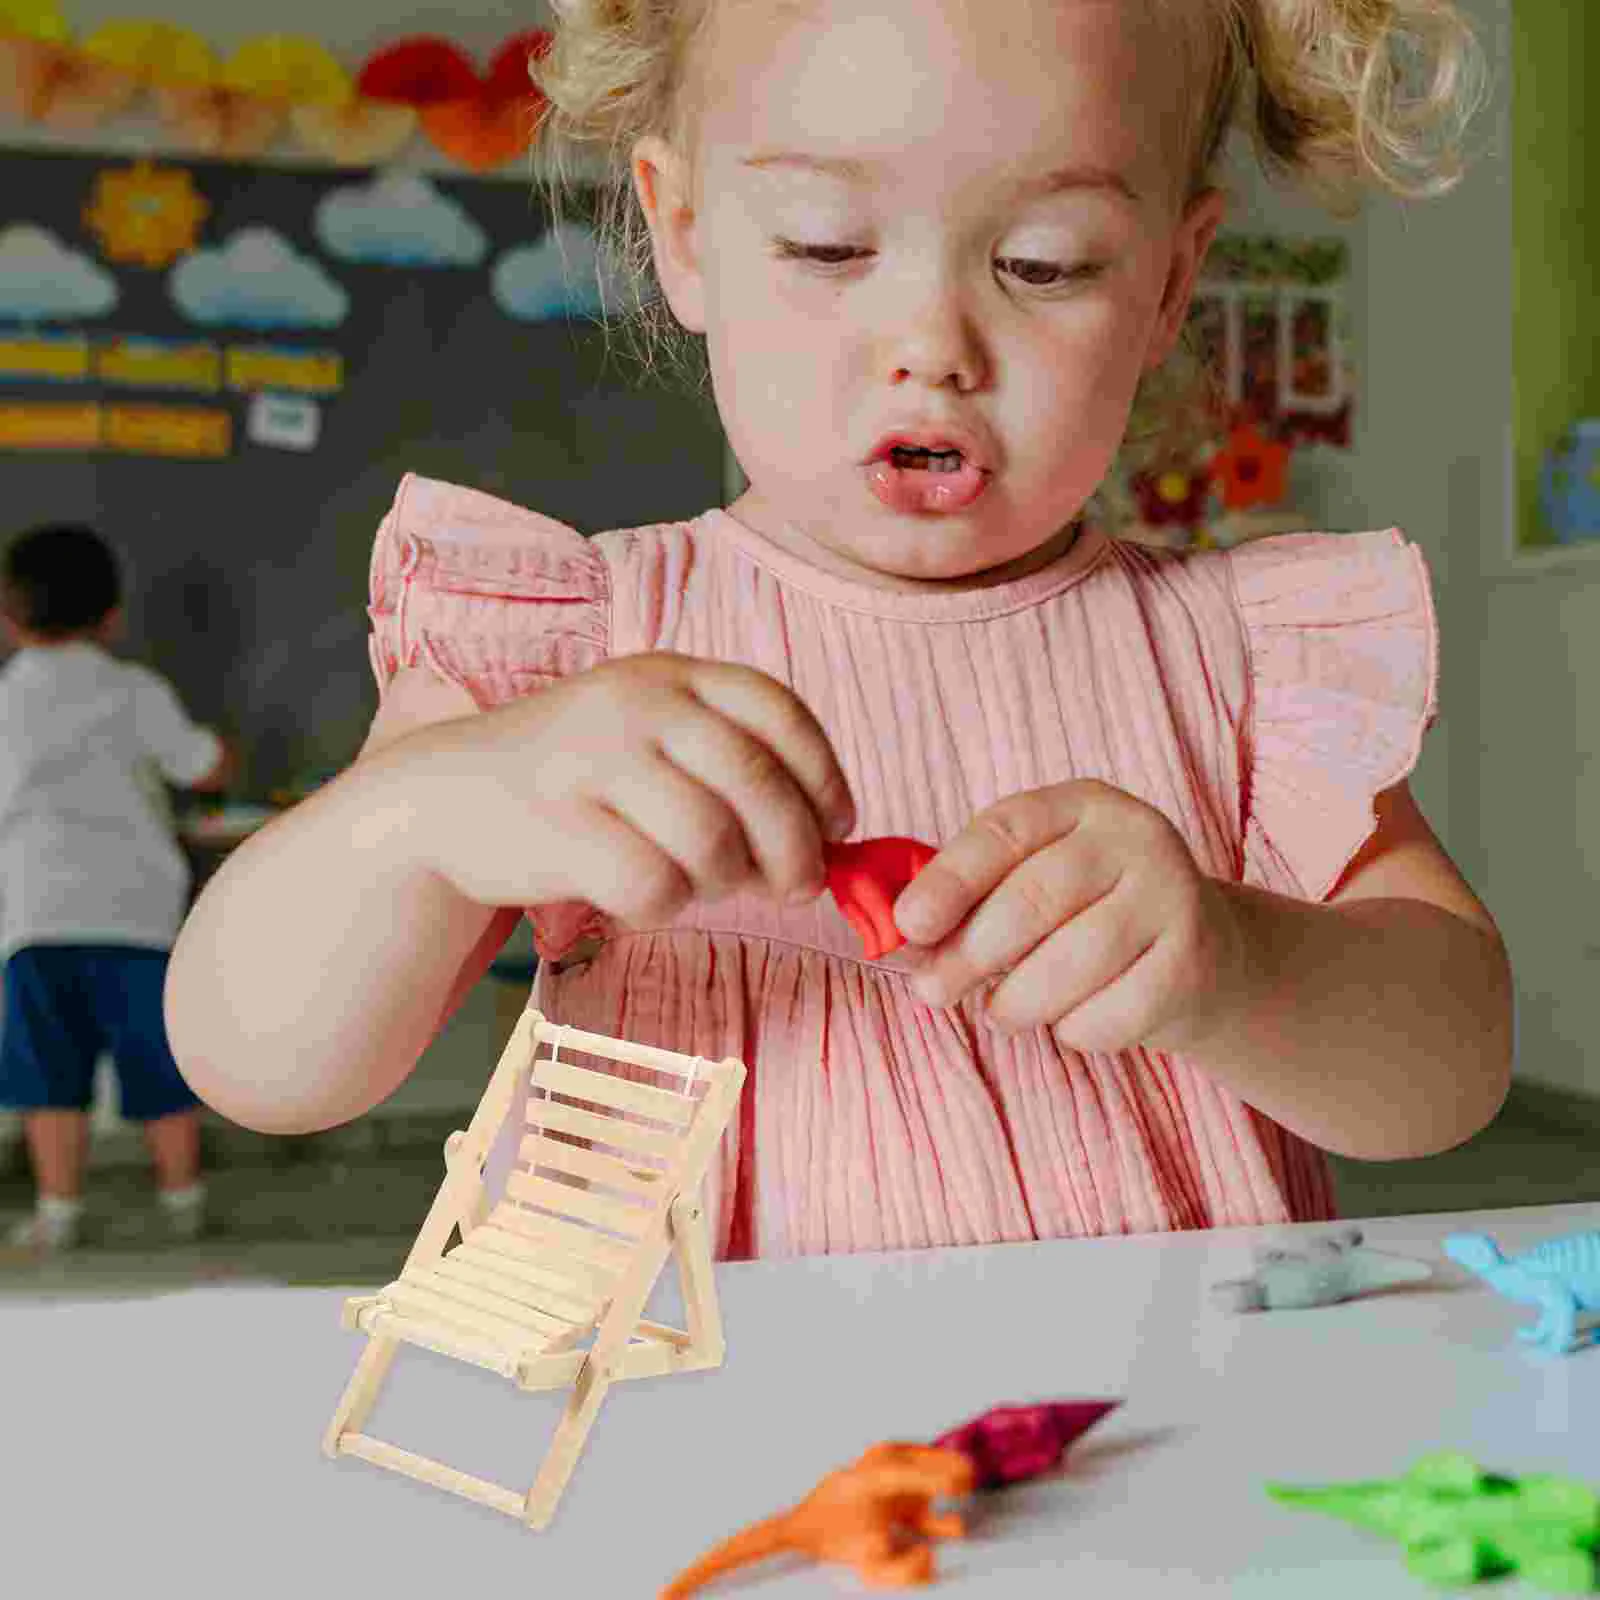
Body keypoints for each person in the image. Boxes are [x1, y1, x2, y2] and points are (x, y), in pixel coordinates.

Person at [166, 0, 1513, 1261]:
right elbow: (258, 1060)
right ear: (684, 234)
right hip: (698, 1400)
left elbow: (1450, 1071)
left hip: (1163, 1394)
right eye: (825, 244)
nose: (932, 342)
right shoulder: (569, 648)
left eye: (1045, 263)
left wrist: (1239, 963)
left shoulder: (1238, 658)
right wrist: (441, 813)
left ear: (1169, 283)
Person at [0, 522, 235, 1252]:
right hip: (138, 913)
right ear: (112, 617)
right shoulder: (137, 692)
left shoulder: (5, 699)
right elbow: (203, 767)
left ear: (8, 620)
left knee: (48, 1073)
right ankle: (183, 1202)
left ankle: (58, 1212)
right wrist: (222, 752)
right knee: (159, 1062)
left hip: (37, 916)